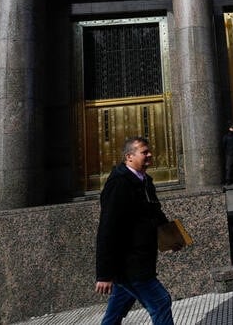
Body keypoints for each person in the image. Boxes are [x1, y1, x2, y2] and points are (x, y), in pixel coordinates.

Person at [95, 137, 174, 325]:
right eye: (144, 152)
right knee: (161, 302)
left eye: (149, 151)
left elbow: (155, 212)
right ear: (129, 157)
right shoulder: (119, 184)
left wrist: (171, 238)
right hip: (129, 263)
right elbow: (107, 229)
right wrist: (104, 274)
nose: (150, 155)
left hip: (140, 258)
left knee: (116, 309)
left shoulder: (144, 180)